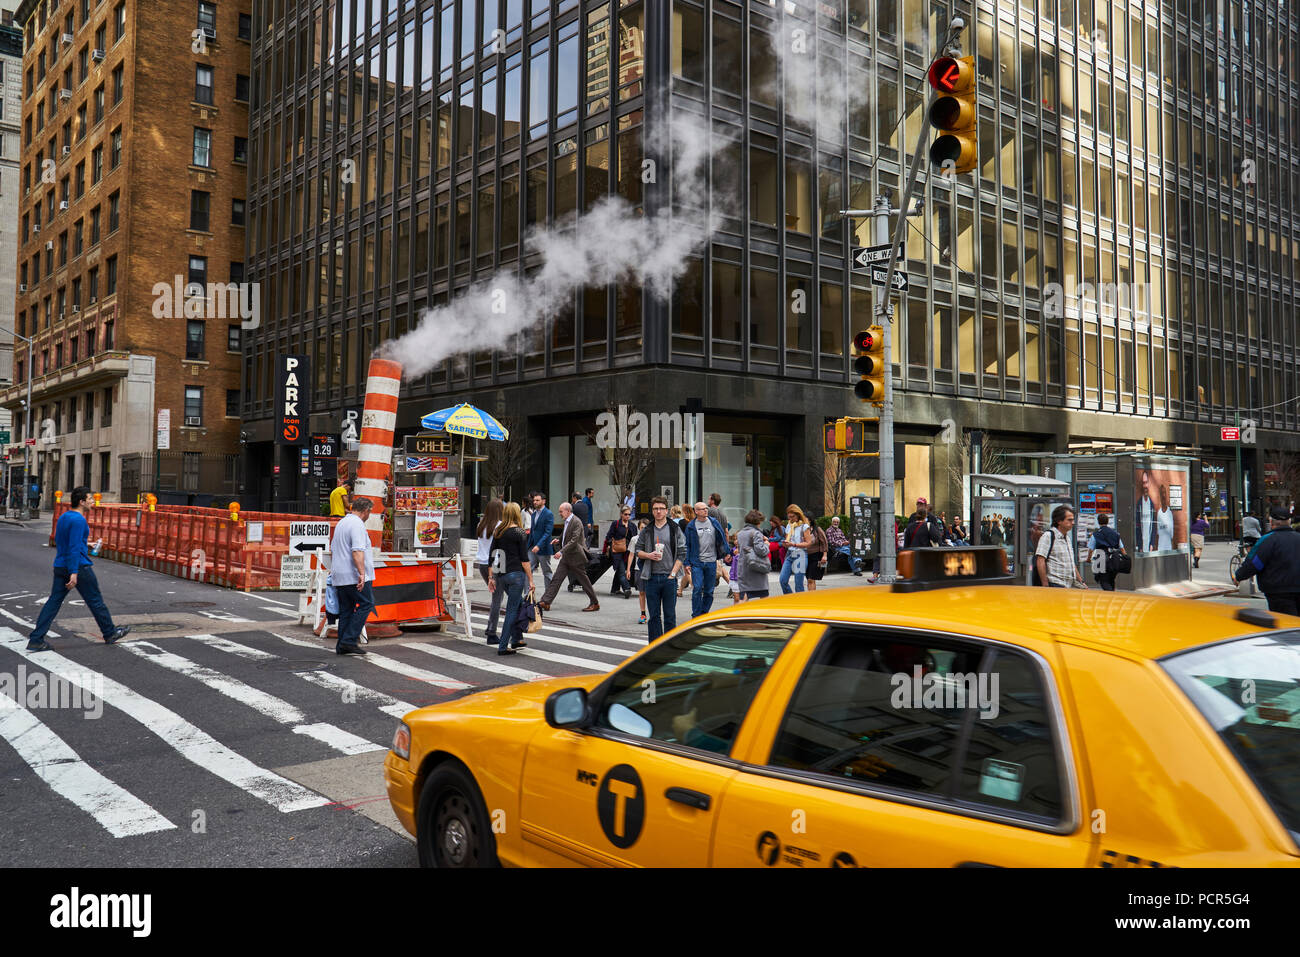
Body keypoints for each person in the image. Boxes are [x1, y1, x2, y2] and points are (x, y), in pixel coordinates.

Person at [25, 486, 131, 652]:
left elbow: (64, 541)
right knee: (95, 600)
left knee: (53, 602)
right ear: (82, 502)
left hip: (60, 564)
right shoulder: (79, 520)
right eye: (89, 499)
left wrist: (85, 544)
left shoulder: (64, 517)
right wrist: (73, 572)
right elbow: (73, 547)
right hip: (78, 566)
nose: (92, 501)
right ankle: (110, 633)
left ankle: (36, 639)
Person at [634, 496, 686, 642]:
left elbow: (682, 552)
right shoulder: (647, 530)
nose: (658, 511)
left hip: (669, 578)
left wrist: (673, 574)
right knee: (654, 617)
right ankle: (655, 648)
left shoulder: (674, 528)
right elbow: (637, 550)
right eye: (656, 509)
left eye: (661, 509)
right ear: (652, 511)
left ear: (667, 511)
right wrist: (649, 555)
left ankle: (669, 648)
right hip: (651, 577)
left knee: (670, 616)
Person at [486, 502, 534, 655]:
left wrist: (491, 577)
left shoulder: (499, 531)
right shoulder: (519, 532)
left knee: (518, 604)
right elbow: (524, 559)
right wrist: (531, 580)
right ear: (517, 514)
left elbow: (492, 555)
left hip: (502, 574)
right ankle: (503, 646)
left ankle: (516, 639)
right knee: (512, 610)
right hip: (516, 575)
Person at [1232, 505, 1300, 614]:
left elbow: (1255, 563)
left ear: (1271, 522)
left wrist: (1239, 576)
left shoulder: (1267, 540)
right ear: (1289, 521)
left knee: (1285, 624)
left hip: (1278, 591)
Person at [330, 496, 376, 655]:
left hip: (340, 574)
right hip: (353, 574)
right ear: (366, 510)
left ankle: (342, 643)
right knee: (366, 604)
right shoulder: (357, 525)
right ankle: (349, 641)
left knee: (346, 609)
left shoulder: (342, 523)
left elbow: (333, 548)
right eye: (370, 512)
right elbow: (357, 550)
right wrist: (362, 574)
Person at [538, 501, 600, 612]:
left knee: (584, 581)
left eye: (561, 512)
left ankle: (595, 603)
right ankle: (546, 602)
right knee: (556, 579)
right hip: (567, 557)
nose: (560, 514)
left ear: (568, 511)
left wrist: (561, 552)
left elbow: (574, 540)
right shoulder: (568, 520)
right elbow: (566, 534)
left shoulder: (576, 522)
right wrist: (559, 539)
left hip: (576, 557)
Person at [684, 501, 732, 618]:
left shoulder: (713, 522)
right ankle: (696, 615)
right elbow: (687, 545)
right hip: (697, 562)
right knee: (697, 588)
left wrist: (726, 552)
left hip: (711, 561)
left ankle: (704, 613)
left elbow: (722, 537)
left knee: (709, 591)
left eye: (706, 508)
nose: (705, 510)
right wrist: (687, 562)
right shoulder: (691, 526)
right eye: (702, 509)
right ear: (696, 511)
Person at [475, 499, 507, 644]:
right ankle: (491, 631)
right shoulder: (500, 526)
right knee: (497, 598)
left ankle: (491, 629)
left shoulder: (481, 525)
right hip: (496, 564)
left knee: (497, 596)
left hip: (482, 563)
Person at [1035, 504, 1087, 588]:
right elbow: (1040, 560)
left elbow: (1071, 563)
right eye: (1069, 520)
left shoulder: (1067, 538)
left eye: (1073, 520)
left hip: (1067, 585)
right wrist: (1045, 585)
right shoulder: (1048, 536)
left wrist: (1081, 581)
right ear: (1059, 521)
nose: (1073, 523)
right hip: (1055, 584)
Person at [1086, 513, 1127, 591]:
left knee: (1103, 580)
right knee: (1111, 579)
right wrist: (1125, 558)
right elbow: (1122, 548)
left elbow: (1091, 549)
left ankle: (1110, 595)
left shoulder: (1095, 534)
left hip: (1101, 559)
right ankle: (1112, 594)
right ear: (1108, 521)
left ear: (1098, 522)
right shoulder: (1115, 534)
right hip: (1114, 559)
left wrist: (1088, 559)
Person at [603, 505, 636, 598]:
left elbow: (634, 538)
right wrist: (612, 544)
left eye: (629, 514)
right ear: (621, 514)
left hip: (627, 553)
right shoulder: (616, 524)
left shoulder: (632, 526)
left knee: (619, 571)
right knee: (621, 570)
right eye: (625, 514)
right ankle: (627, 589)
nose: (627, 516)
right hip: (617, 552)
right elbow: (609, 536)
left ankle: (615, 589)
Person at [736, 510, 771, 599]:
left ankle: (742, 613)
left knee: (744, 597)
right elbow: (761, 550)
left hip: (743, 568)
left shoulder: (740, 533)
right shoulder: (756, 533)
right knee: (764, 597)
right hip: (756, 569)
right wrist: (766, 544)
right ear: (758, 522)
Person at [779, 505, 812, 594]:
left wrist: (794, 544)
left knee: (798, 585)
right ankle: (790, 599)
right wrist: (785, 544)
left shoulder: (804, 526)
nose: (791, 519)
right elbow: (787, 540)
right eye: (789, 517)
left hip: (800, 555)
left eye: (792, 516)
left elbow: (808, 543)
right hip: (789, 554)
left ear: (798, 515)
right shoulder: (789, 526)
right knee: (782, 580)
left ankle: (800, 604)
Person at [526, 492, 555, 590]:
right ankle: (527, 595)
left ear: (544, 501)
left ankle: (548, 596)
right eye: (534, 500)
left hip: (543, 548)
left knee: (546, 572)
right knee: (528, 570)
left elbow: (548, 533)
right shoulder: (533, 514)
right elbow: (533, 531)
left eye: (537, 500)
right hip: (531, 547)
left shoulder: (548, 514)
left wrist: (538, 545)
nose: (535, 502)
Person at [804, 515, 829, 590]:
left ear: (810, 520)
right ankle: (811, 596)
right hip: (805, 556)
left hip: (816, 556)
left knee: (811, 578)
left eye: (805, 519)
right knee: (809, 578)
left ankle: (812, 597)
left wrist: (825, 555)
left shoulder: (817, 529)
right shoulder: (803, 530)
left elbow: (824, 542)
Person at [632, 518, 650, 624]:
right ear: (639, 528)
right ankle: (643, 613)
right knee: (642, 592)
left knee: (652, 593)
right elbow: (631, 554)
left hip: (650, 568)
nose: (643, 530)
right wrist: (629, 569)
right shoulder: (635, 539)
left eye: (645, 528)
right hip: (639, 569)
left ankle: (655, 614)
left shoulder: (652, 538)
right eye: (641, 527)